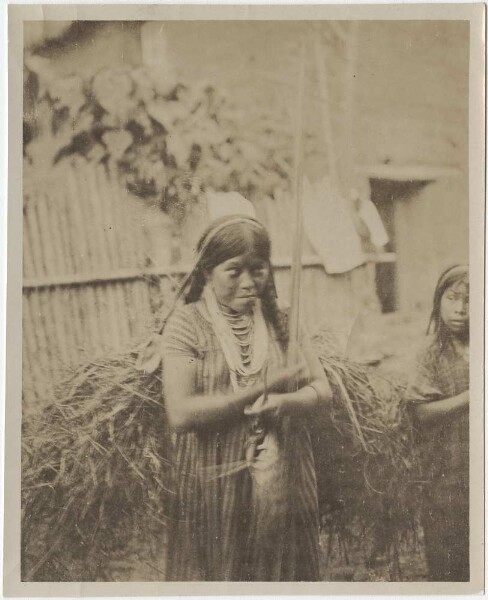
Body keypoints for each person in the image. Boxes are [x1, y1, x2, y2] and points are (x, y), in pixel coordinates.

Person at [158, 214, 332, 581]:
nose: (249, 282)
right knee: (222, 569)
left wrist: (285, 403)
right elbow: (180, 412)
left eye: (259, 269)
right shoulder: (186, 325)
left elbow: (322, 390)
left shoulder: (282, 320)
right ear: (207, 271)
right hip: (212, 473)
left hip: (285, 466)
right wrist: (258, 391)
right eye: (233, 271)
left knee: (283, 570)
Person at [406, 265, 469, 581]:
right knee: (449, 564)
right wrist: (471, 397)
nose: (460, 309)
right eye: (453, 298)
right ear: (438, 300)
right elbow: (420, 413)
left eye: (471, 300)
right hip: (444, 478)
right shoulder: (431, 354)